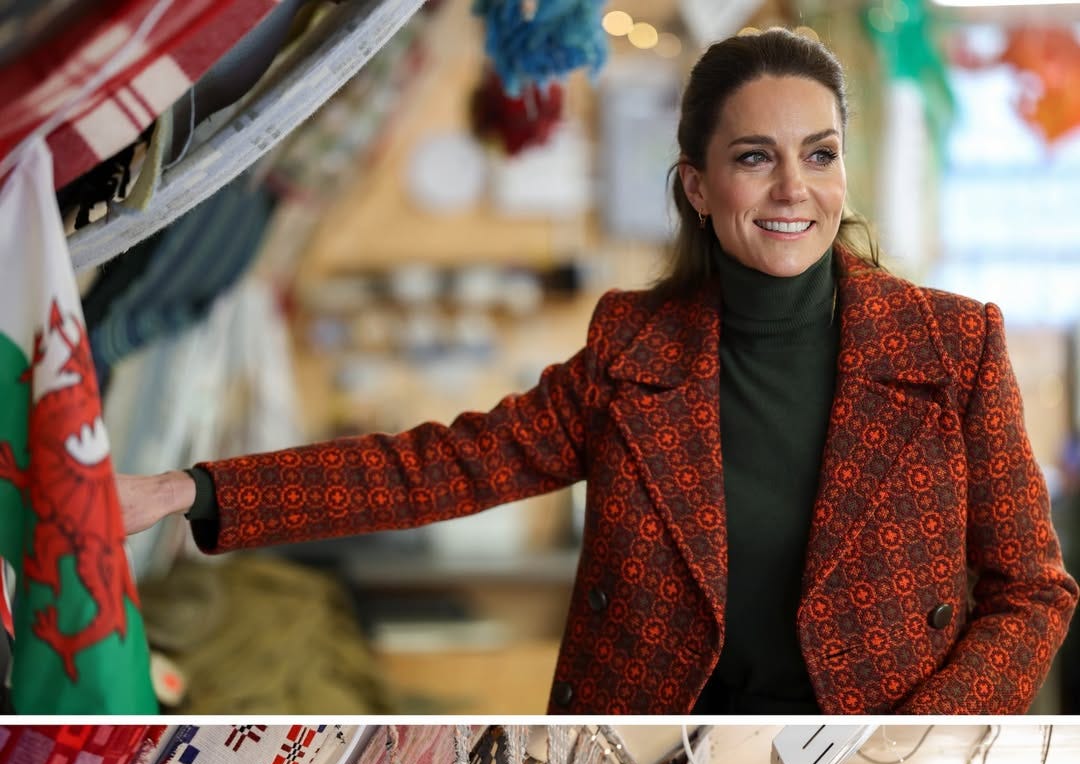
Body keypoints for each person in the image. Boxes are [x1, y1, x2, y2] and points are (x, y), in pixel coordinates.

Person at [118, 27, 1078, 716]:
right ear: (700, 187)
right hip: (652, 752)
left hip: (867, 758)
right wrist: (189, 490)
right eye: (756, 157)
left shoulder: (955, 348)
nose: (795, 188)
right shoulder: (633, 350)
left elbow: (1032, 591)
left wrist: (922, 737)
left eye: (818, 155)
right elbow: (439, 468)